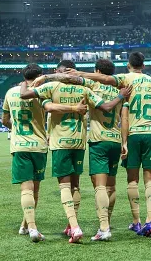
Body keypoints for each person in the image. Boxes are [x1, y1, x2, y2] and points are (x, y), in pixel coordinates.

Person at [19, 60, 131, 244]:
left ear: (59, 73)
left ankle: (76, 226)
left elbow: (25, 95)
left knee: (65, 186)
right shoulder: (86, 90)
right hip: (83, 142)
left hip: (63, 142)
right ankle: (88, 225)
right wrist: (120, 96)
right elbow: (108, 107)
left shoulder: (52, 86)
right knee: (78, 185)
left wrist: (28, 80)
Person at [66, 52, 151, 237]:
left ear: (128, 65)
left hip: (131, 135)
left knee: (131, 180)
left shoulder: (124, 80)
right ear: (143, 66)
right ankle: (150, 221)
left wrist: (79, 73)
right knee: (150, 179)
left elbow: (105, 80)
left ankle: (135, 222)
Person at [2, 63, 88, 243]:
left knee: (26, 189)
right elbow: (51, 108)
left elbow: (5, 120)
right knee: (35, 190)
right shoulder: (43, 93)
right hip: (39, 145)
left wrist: (15, 129)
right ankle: (29, 226)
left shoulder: (10, 93)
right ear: (40, 75)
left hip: (19, 146)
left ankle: (29, 226)